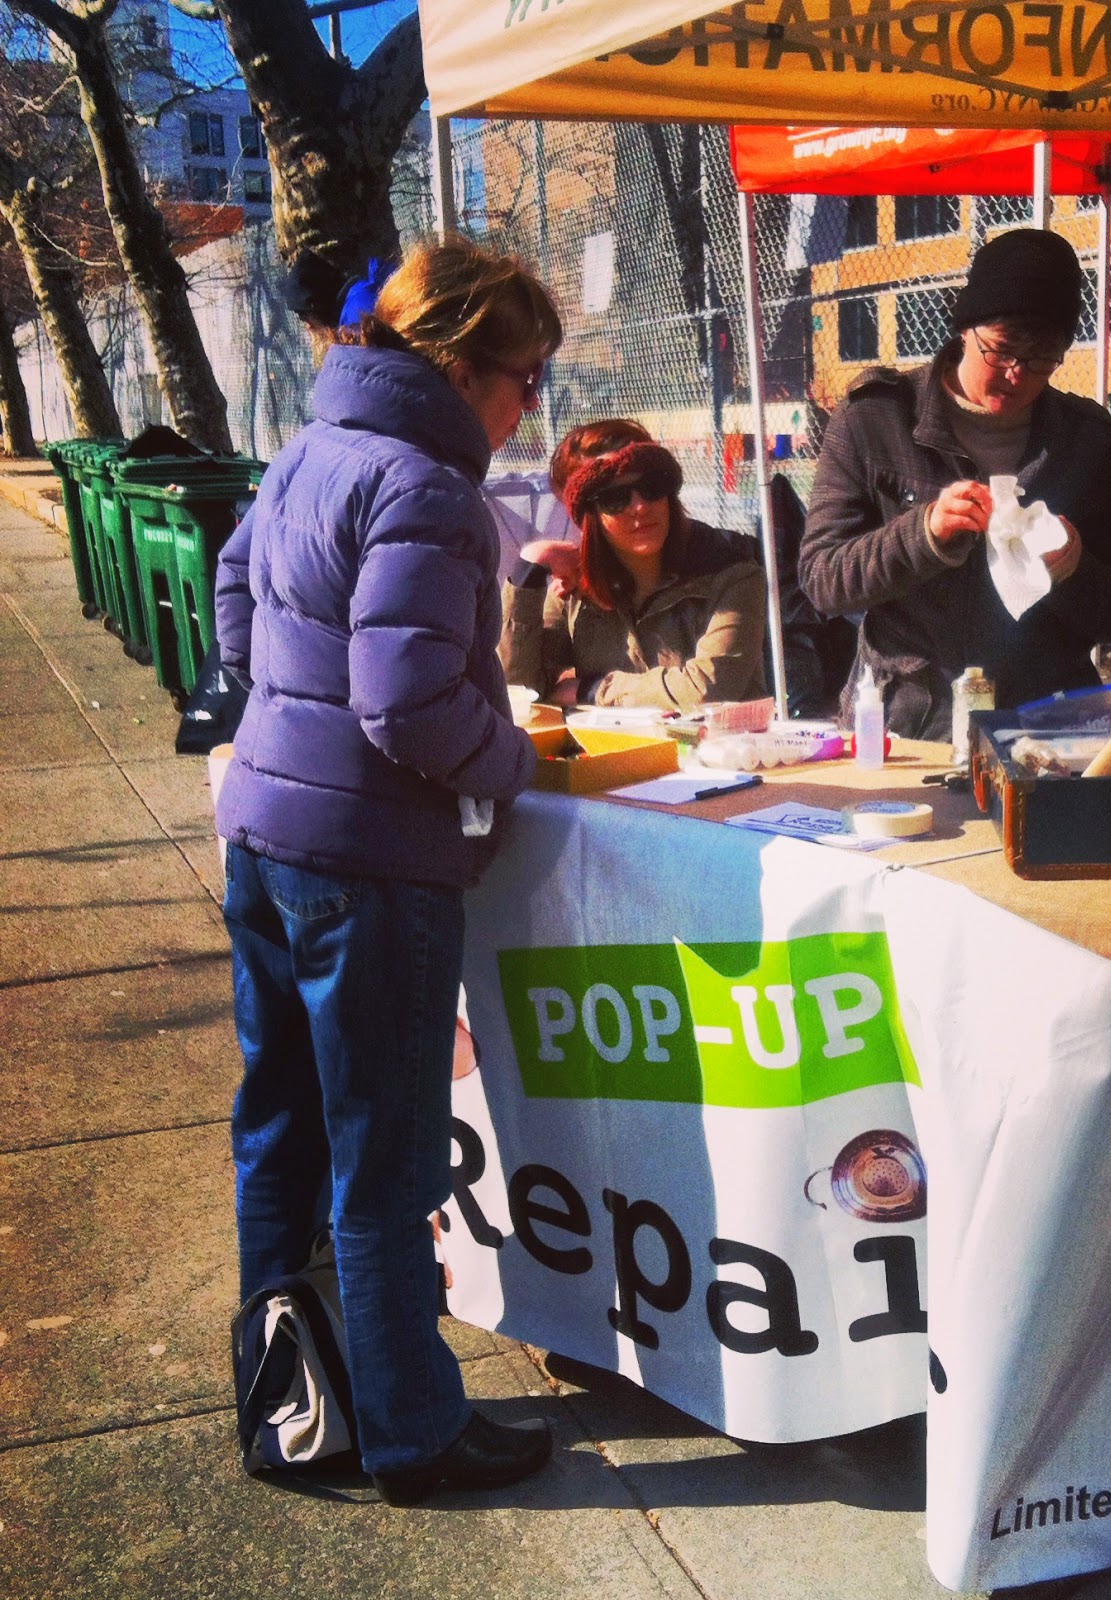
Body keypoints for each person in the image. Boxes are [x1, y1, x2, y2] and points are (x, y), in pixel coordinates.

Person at [213, 237, 561, 1506]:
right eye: (528, 377)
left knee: (282, 1127)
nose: (532, 403)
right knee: (384, 1151)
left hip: (264, 830)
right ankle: (412, 1429)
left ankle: (287, 1395)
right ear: (466, 368)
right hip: (368, 861)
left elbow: (236, 583)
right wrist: (511, 760)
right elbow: (408, 705)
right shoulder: (425, 487)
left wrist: (278, 711)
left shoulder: (310, 446)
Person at [798, 227, 1111, 739]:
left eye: (1041, 362)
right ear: (965, 328)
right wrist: (921, 535)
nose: (1016, 376)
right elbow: (821, 579)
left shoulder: (1089, 443)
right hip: (908, 723)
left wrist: (1075, 572)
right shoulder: (875, 420)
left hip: (1042, 727)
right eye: (1001, 351)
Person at [499, 418, 768, 708]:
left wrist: (595, 691)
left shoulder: (731, 573)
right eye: (615, 498)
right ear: (589, 518)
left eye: (650, 487)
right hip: (609, 751)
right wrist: (532, 566)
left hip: (715, 751)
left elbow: (706, 691)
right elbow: (520, 692)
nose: (640, 506)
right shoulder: (576, 590)